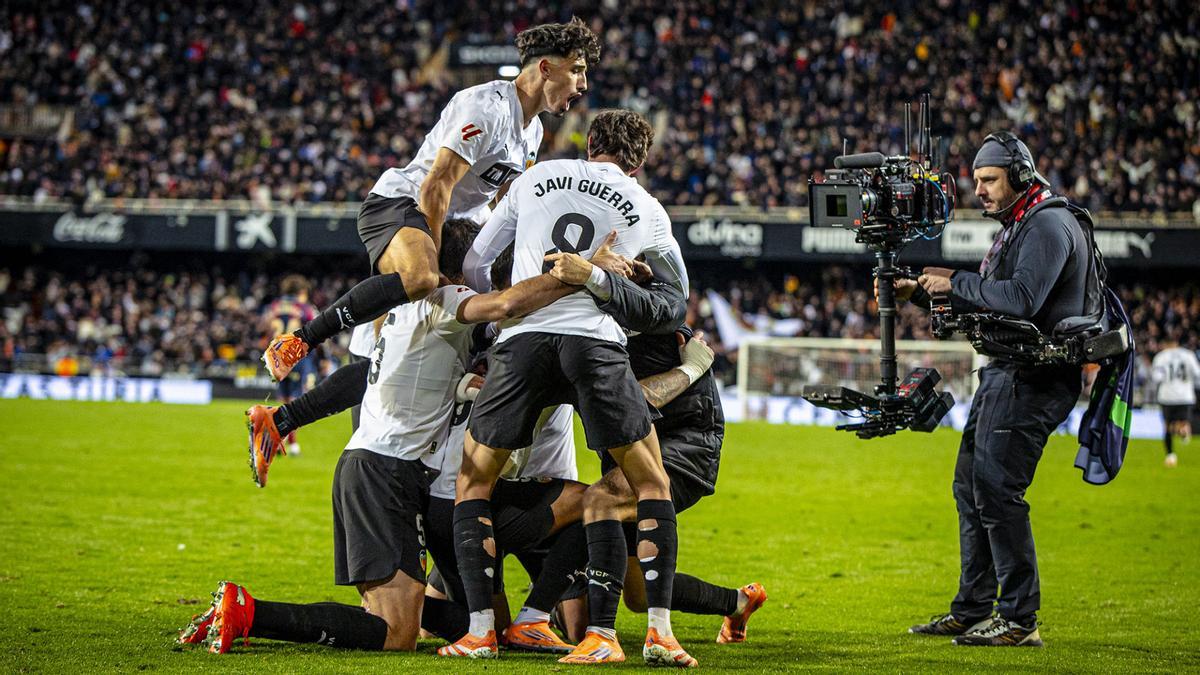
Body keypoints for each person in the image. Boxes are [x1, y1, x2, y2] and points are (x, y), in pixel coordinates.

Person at [179, 219, 585, 654]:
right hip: (383, 472)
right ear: (466, 268)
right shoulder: (446, 301)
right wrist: (577, 275)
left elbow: (374, 375)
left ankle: (434, 613)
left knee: (446, 624)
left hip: (390, 470)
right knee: (395, 635)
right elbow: (504, 306)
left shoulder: (404, 310)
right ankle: (250, 612)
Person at [443, 110, 695, 666]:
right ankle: (656, 632)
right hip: (597, 343)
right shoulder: (649, 209)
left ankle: (481, 630)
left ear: (589, 144)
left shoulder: (534, 179)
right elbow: (675, 305)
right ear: (640, 160)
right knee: (650, 480)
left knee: (473, 481)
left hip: (523, 342)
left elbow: (478, 261)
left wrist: (501, 319)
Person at [258, 18, 600, 383]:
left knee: (491, 312)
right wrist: (435, 259)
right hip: (404, 205)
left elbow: (504, 201)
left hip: (459, 228)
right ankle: (300, 340)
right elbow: (436, 186)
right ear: (546, 68)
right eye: (577, 70)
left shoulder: (532, 130)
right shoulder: (488, 108)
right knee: (420, 279)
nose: (583, 84)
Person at [897, 132, 1093, 647]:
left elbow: (1022, 299)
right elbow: (989, 306)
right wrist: (921, 293)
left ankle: (1020, 619)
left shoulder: (1048, 223)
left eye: (989, 180)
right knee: (971, 487)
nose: (978, 190)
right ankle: (973, 608)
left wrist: (954, 281)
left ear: (1020, 177)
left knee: (999, 492)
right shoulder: (1020, 225)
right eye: (977, 181)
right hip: (1005, 373)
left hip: (1034, 377)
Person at [546, 247, 768, 647]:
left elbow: (632, 400)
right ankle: (738, 603)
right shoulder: (589, 318)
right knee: (638, 593)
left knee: (600, 500)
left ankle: (601, 638)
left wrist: (690, 369)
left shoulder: (656, 318)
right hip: (630, 445)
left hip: (687, 444)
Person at [1151, 331, 1200, 467]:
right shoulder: (1188, 355)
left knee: (1167, 427)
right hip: (1185, 396)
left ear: (1165, 344)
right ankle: (1183, 430)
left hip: (1167, 396)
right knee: (1183, 423)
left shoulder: (1161, 357)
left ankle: (1170, 455)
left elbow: (1156, 378)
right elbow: (1197, 374)